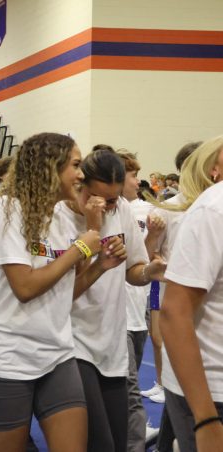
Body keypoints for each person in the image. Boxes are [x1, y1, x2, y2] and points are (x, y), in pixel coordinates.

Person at [0, 133, 102, 452]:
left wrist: (100, 262)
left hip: (57, 354)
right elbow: (25, 287)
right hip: (7, 358)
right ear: (48, 167)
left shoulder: (60, 217)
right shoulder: (6, 208)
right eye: (75, 165)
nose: (81, 174)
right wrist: (81, 247)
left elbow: (65, 291)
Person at [62, 148, 165, 451]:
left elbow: (133, 269)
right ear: (80, 185)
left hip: (111, 338)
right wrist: (92, 229)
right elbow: (65, 289)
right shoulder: (60, 216)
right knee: (99, 441)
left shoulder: (121, 209)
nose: (107, 206)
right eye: (100, 198)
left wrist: (149, 271)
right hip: (71, 339)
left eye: (114, 198)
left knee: (120, 439)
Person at [145, 137, 221, 452]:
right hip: (213, 388)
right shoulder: (212, 209)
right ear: (214, 169)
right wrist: (205, 419)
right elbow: (175, 313)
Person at [117, 150, 164, 449]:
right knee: (129, 385)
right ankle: (132, 435)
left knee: (125, 383)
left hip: (137, 304)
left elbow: (139, 262)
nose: (138, 181)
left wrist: (152, 237)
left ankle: (124, 431)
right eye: (133, 175)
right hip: (116, 310)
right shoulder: (107, 212)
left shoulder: (147, 210)